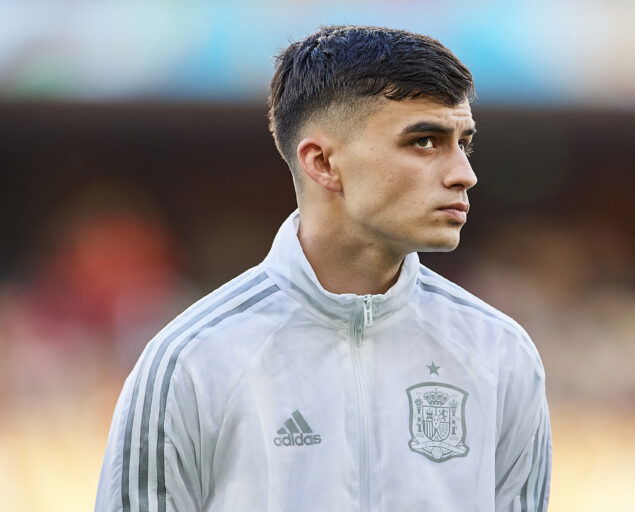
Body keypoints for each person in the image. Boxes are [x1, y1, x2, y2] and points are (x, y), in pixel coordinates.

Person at [95, 25, 551, 512]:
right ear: (323, 163)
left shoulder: (500, 353)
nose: (464, 172)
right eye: (424, 140)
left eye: (464, 142)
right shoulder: (192, 360)